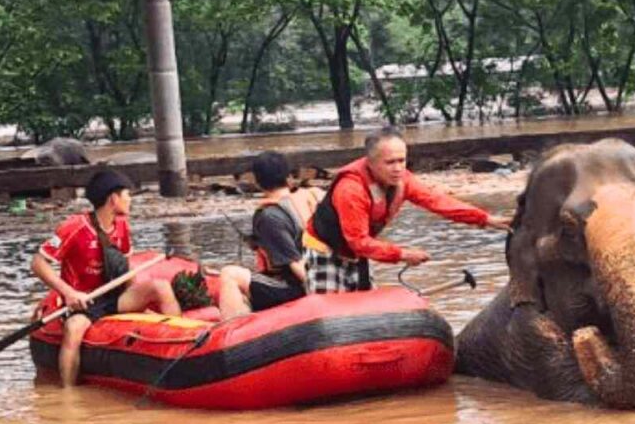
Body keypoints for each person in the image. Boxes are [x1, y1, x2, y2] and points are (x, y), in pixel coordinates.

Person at [305, 126, 512, 292]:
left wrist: (485, 219)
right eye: (390, 162)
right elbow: (358, 242)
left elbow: (438, 202)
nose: (397, 169)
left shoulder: (403, 180)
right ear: (371, 163)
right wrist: (402, 254)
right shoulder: (351, 189)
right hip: (326, 250)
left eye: (401, 161)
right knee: (332, 314)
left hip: (358, 252)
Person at [31, 169, 182, 387]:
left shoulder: (121, 225)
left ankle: (180, 345)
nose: (130, 199)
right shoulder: (75, 227)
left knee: (160, 287)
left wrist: (137, 299)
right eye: (126, 194)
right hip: (84, 303)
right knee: (73, 330)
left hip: (114, 297)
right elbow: (38, 262)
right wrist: (69, 293)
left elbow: (126, 267)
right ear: (113, 198)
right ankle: (68, 395)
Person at [217, 151, 324, 320]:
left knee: (229, 274)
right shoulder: (313, 195)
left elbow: (296, 264)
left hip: (300, 286)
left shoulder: (270, 216)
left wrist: (323, 294)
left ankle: (235, 336)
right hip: (329, 271)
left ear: (258, 183)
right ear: (289, 178)